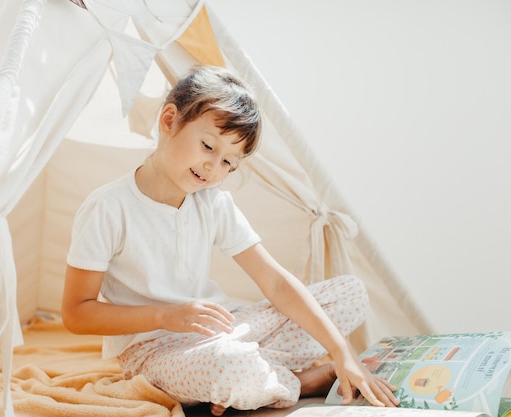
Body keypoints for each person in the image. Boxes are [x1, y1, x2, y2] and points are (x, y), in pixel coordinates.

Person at [61, 65, 398, 416]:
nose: (213, 168)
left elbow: (276, 283)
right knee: (232, 367)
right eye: (208, 146)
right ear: (168, 120)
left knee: (351, 294)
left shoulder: (214, 202)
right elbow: (76, 313)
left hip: (225, 330)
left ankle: (254, 379)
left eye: (227, 163)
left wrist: (343, 353)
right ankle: (302, 380)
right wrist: (166, 315)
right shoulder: (107, 207)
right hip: (154, 350)